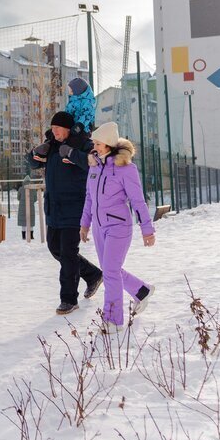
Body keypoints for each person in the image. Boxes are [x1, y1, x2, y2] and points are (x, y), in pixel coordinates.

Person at [79, 122, 156, 331]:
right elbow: (88, 198)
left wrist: (147, 229)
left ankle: (112, 319)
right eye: (94, 143)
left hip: (118, 226)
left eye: (99, 143)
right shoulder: (94, 167)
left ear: (110, 144)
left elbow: (138, 201)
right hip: (99, 227)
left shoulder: (125, 168)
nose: (95, 147)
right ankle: (142, 291)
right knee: (110, 269)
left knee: (110, 271)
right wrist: (84, 224)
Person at [27, 111, 103, 315]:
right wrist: (36, 151)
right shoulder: (51, 145)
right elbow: (33, 163)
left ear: (68, 128)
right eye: (52, 128)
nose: (54, 131)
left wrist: (71, 153)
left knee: (68, 254)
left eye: (57, 128)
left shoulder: (82, 144)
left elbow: (94, 163)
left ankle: (69, 299)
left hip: (74, 208)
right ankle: (93, 274)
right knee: (55, 249)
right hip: (54, 208)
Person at [16, 175, 37, 240]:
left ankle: (24, 236)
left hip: (22, 208)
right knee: (31, 221)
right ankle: (31, 235)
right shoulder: (33, 189)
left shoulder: (21, 188)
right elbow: (35, 199)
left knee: (23, 222)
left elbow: (18, 198)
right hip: (31, 207)